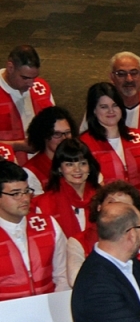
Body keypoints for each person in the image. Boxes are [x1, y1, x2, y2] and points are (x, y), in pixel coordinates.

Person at [80, 82, 140, 215]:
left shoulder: (139, 137)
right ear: (93, 110)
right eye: (104, 107)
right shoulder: (83, 145)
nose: (111, 111)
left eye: (115, 105)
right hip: (108, 220)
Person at [0, 160, 69, 299]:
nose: (24, 198)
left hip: (49, 308)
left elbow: (62, 275)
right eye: (15, 194)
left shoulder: (47, 225)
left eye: (26, 191)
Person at [32, 137, 100, 246]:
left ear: (90, 167)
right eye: (69, 164)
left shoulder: (103, 198)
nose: (77, 170)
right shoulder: (43, 204)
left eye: (82, 163)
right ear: (59, 168)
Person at [0, 44, 54, 155]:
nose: (31, 84)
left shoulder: (41, 87)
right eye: (25, 78)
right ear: (10, 68)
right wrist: (18, 145)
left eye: (34, 77)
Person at [107, 51, 140, 155]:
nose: (129, 79)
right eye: (121, 74)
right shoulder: (101, 109)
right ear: (112, 77)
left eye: (134, 73)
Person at [23, 105, 75, 191]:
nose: (64, 138)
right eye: (57, 134)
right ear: (44, 136)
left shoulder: (81, 160)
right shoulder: (31, 171)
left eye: (67, 133)